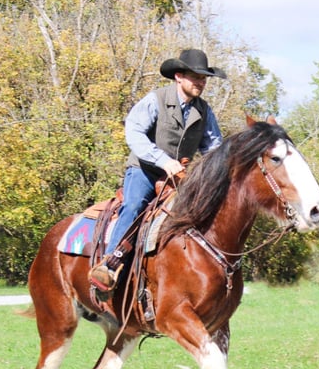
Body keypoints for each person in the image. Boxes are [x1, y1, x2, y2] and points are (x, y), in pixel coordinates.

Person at [89, 48, 227, 296]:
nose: (201, 82)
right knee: (134, 206)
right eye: (195, 76)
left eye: (204, 78)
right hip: (145, 170)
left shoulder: (204, 111)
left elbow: (214, 148)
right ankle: (109, 265)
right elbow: (134, 132)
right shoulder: (156, 99)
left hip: (181, 177)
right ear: (178, 76)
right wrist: (163, 161)